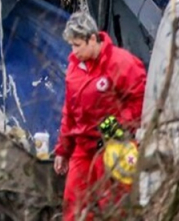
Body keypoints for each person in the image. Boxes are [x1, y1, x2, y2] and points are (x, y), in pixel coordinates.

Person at [54, 12, 147, 221]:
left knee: (114, 206)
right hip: (83, 147)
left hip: (112, 145)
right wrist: (63, 150)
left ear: (93, 39)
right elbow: (69, 111)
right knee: (74, 206)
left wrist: (116, 127)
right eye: (72, 46)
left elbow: (140, 101)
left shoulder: (123, 63)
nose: (74, 51)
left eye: (78, 45)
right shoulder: (73, 69)